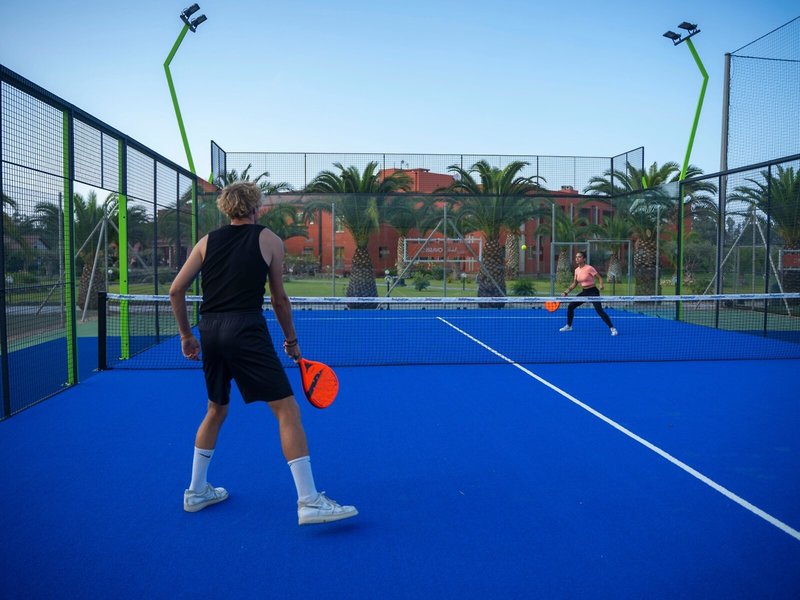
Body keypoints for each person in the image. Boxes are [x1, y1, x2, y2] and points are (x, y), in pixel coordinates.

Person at [169, 181, 357, 525]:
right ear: (256, 207)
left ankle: (196, 492)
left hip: (210, 330)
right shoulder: (269, 239)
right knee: (287, 410)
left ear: (226, 208)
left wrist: (186, 336)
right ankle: (309, 501)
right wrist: (292, 341)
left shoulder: (206, 242)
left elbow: (176, 290)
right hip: (246, 330)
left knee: (215, 409)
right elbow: (279, 299)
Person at [559, 251, 618, 336]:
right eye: (576, 257)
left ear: (584, 259)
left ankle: (612, 328)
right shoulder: (576, 270)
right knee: (571, 306)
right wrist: (566, 292)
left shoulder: (589, 268)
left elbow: (599, 278)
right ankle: (569, 326)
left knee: (599, 310)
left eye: (579, 257)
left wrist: (601, 285)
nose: (577, 258)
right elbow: (575, 283)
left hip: (593, 291)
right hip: (584, 292)